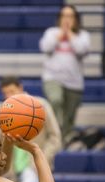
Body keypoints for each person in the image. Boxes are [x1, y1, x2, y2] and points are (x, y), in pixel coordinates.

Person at [0, 76, 62, 182]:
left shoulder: (40, 105)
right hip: (12, 171)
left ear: (20, 88)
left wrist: (40, 160)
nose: (9, 96)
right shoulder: (4, 111)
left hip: (34, 168)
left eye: (12, 91)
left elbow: (55, 138)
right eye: (5, 93)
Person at [39, 5, 90, 141]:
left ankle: (63, 142)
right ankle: (53, 133)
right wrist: (60, 35)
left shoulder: (83, 35)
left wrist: (70, 34)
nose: (67, 19)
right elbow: (45, 47)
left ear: (76, 19)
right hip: (52, 78)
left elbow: (81, 50)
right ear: (59, 18)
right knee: (55, 100)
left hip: (74, 83)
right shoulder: (51, 32)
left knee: (69, 118)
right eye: (64, 16)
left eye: (70, 16)